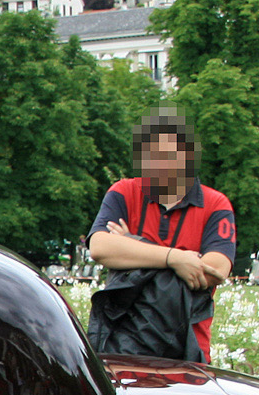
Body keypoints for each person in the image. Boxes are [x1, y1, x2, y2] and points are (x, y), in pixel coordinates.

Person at [85, 108, 236, 361]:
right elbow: (100, 248)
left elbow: (216, 270)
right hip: (121, 347)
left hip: (188, 351)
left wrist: (132, 246)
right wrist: (175, 259)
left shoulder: (215, 204)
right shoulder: (124, 192)